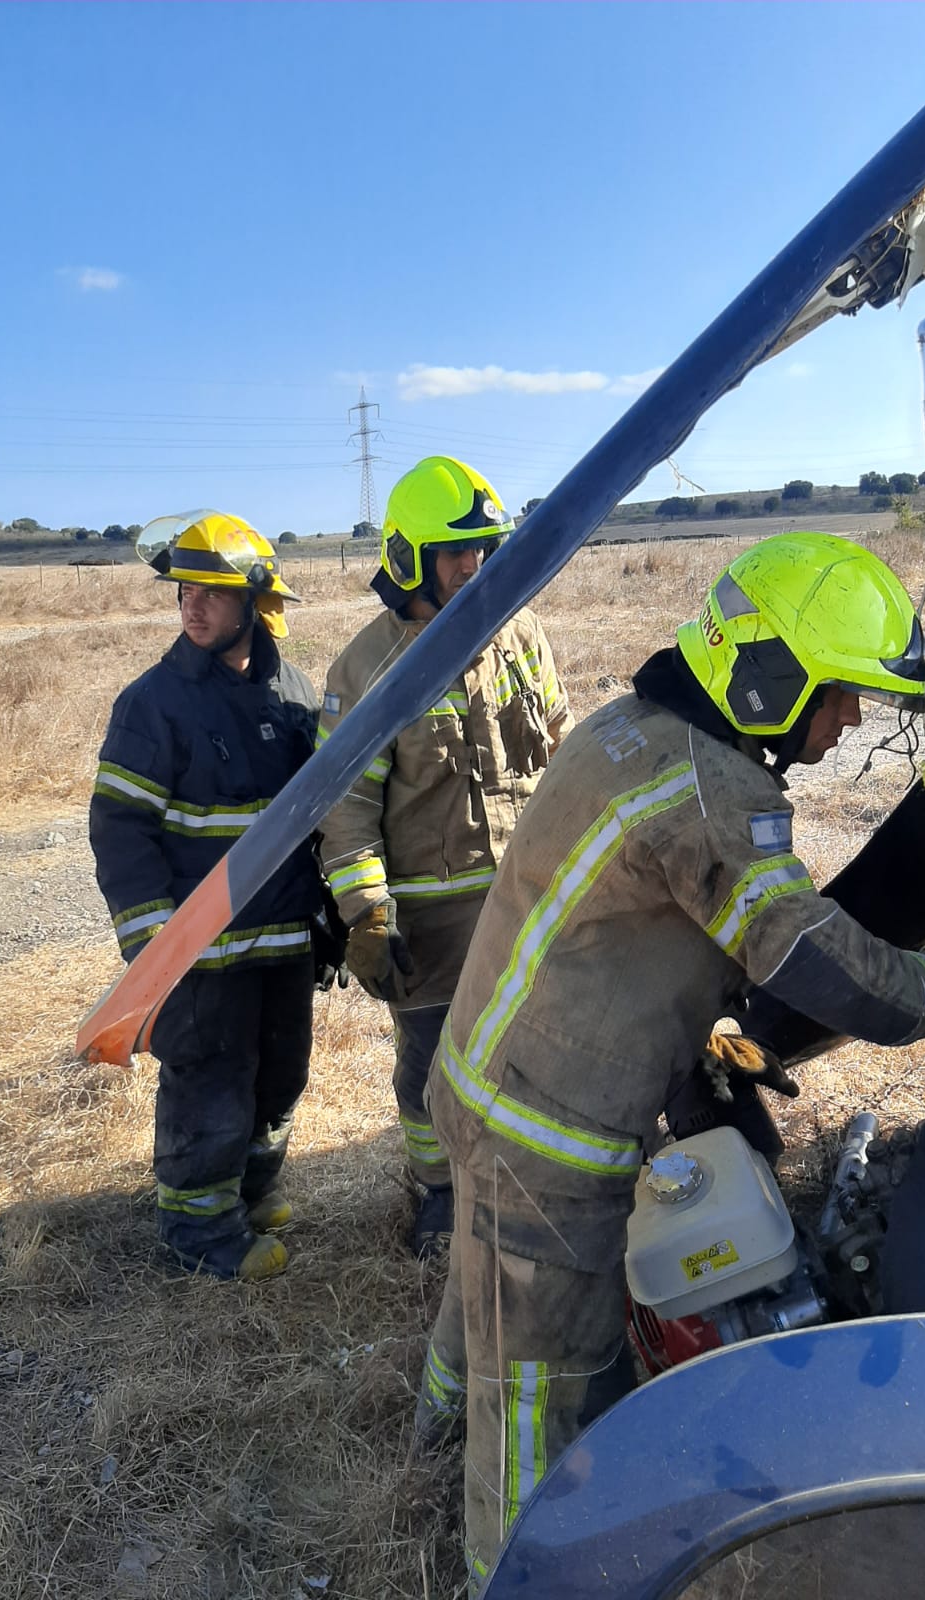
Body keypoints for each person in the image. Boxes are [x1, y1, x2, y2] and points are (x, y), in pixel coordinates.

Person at [420, 530, 925, 1589]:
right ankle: (512, 1567)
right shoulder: (712, 797)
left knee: (481, 1281)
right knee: (540, 1392)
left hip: (483, 1085)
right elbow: (835, 970)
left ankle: (428, 1420)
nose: (850, 723)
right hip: (546, 1137)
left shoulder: (629, 733)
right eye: (839, 695)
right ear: (771, 675)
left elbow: (661, 941)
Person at [317, 455, 573, 1256]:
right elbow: (346, 808)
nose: (475, 566)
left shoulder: (522, 633)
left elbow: (563, 754)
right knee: (431, 1069)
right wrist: (367, 914)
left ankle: (537, 1184)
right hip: (430, 921)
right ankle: (438, 1195)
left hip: (529, 900)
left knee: (542, 1056)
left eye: (484, 549)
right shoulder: (365, 669)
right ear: (407, 558)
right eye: (456, 552)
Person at [90, 509, 328, 1282]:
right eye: (184, 590)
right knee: (211, 1080)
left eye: (211, 592)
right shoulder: (151, 705)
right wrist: (155, 950)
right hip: (200, 955)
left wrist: (331, 918)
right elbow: (121, 833)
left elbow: (324, 818)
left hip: (283, 941)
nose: (191, 605)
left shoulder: (294, 693)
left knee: (280, 1074)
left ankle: (250, 1192)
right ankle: (200, 1235)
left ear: (254, 604)